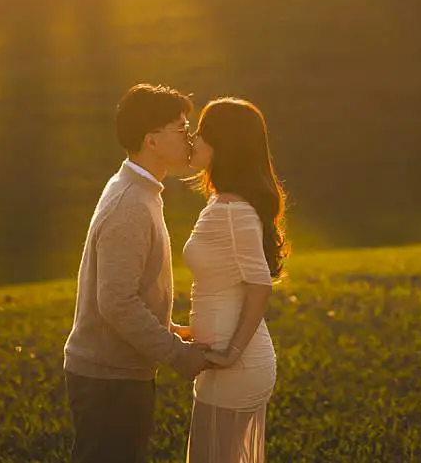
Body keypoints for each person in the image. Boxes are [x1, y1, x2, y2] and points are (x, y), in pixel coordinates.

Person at [63, 84, 210, 463]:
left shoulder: (139, 190)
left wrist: (168, 327)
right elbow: (115, 302)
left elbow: (127, 291)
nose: (190, 137)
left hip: (117, 372)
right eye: (181, 129)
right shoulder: (130, 203)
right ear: (152, 141)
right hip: (108, 379)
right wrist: (177, 354)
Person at [181, 98, 289, 463]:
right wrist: (186, 330)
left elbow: (259, 285)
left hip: (237, 366)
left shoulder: (232, 210)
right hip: (221, 362)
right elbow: (224, 285)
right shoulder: (221, 204)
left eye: (202, 133)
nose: (192, 139)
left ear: (224, 145)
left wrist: (231, 353)